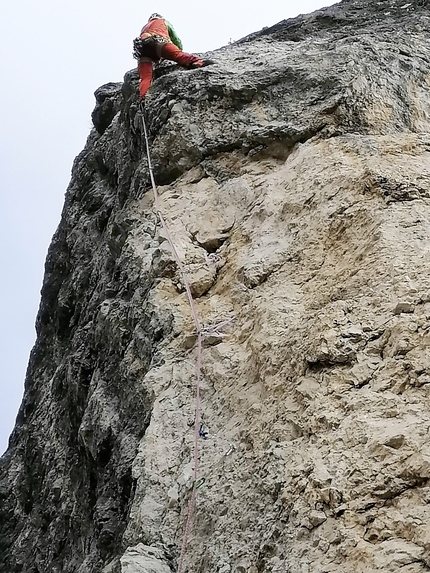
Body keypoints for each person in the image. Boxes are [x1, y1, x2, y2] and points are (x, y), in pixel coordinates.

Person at [136, 13, 204, 99]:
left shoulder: (144, 27)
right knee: (179, 56)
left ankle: (143, 97)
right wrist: (178, 48)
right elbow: (175, 38)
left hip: (143, 51)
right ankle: (197, 62)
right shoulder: (163, 22)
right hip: (160, 42)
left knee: (145, 77)